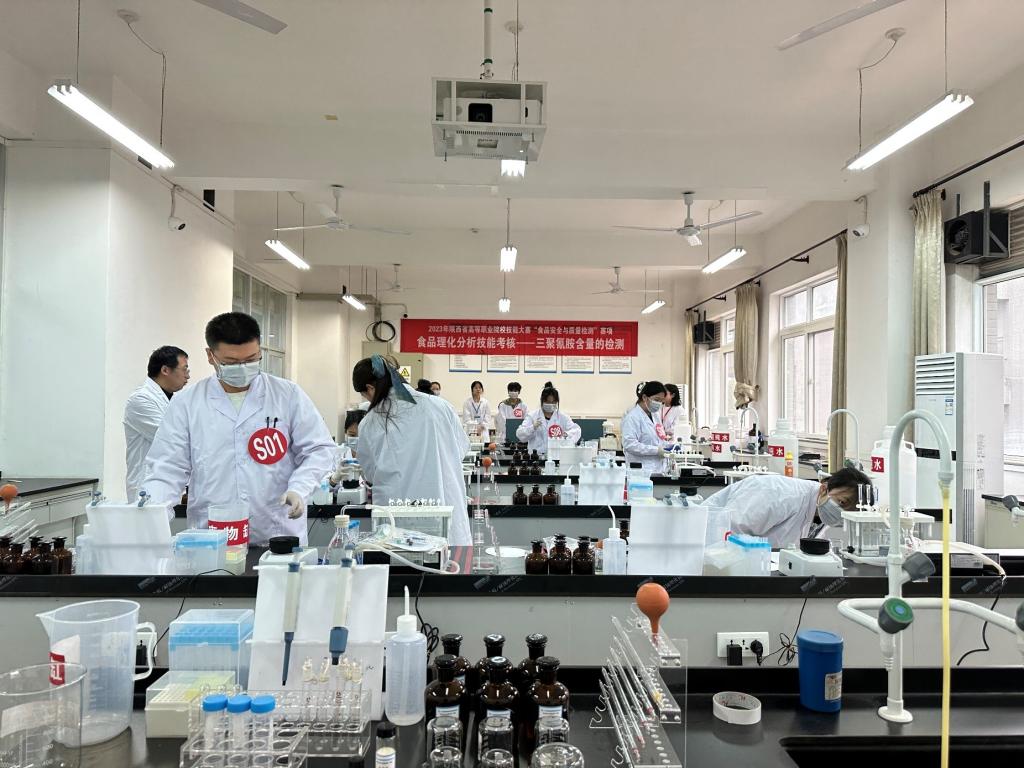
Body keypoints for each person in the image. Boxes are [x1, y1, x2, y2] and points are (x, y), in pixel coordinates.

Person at [143, 312, 336, 546]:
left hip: (277, 534)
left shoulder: (287, 395)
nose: (243, 368)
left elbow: (319, 449)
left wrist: (299, 488)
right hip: (212, 539)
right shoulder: (187, 403)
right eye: (232, 362)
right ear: (210, 356)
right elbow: (167, 469)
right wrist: (151, 518)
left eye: (251, 359)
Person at [353, 355, 471, 545]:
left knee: (401, 560)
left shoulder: (370, 422)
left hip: (397, 519)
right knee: (446, 559)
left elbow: (370, 474)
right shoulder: (441, 406)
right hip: (444, 510)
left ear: (370, 388)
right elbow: (461, 450)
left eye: (364, 395)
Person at [703, 467, 872, 548]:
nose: (842, 513)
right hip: (710, 549)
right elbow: (729, 531)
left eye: (850, 511)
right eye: (842, 503)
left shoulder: (820, 513)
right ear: (823, 488)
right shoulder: (780, 494)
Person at [123, 346, 190, 500]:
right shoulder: (141, 399)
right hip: (147, 487)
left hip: (171, 485)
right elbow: (172, 438)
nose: (187, 375)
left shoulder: (175, 399)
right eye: (184, 369)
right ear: (165, 370)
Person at [516, 382, 581, 455]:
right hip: (535, 456)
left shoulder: (563, 417)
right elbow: (520, 435)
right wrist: (532, 427)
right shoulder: (532, 416)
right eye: (547, 402)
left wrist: (566, 434)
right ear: (542, 400)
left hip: (556, 456)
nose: (550, 404)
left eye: (553, 402)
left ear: (556, 402)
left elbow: (576, 431)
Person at [621, 381, 672, 474]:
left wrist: (669, 446)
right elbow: (629, 444)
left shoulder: (655, 416)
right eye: (656, 400)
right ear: (644, 397)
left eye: (661, 401)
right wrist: (656, 450)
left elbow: (659, 438)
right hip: (641, 471)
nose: (659, 404)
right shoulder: (632, 417)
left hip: (659, 470)